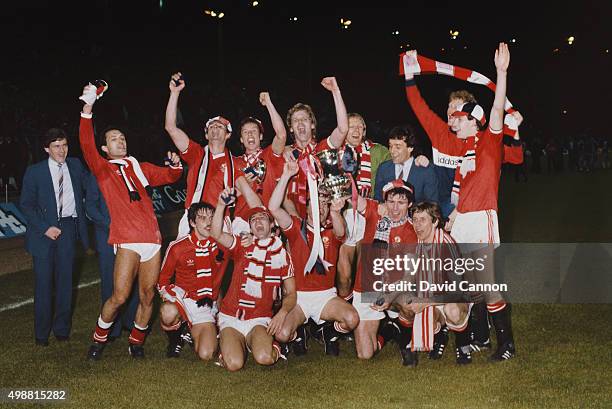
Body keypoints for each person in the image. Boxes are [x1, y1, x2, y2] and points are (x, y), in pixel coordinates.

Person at [78, 83, 183, 360]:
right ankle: (98, 340)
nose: (120, 142)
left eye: (122, 138)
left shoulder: (138, 166)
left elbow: (170, 177)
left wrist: (175, 165)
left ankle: (136, 342)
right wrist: (88, 109)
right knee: (120, 297)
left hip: (152, 240)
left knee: (148, 296)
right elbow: (86, 145)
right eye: (114, 139)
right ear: (104, 147)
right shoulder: (103, 169)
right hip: (127, 240)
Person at [439, 43, 517, 361]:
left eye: (459, 118)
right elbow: (466, 190)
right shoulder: (466, 151)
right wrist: (455, 215)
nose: (453, 122)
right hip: (465, 218)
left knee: (484, 282)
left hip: (483, 216)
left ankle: (506, 344)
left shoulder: (489, 140)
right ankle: (473, 339)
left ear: (475, 120)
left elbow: (498, 111)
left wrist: (501, 72)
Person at [268, 158, 359, 356]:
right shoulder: (296, 229)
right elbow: (274, 208)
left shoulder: (330, 232)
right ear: (307, 208)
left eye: (325, 204)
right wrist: (286, 176)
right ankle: (298, 333)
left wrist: (336, 211)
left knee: (352, 319)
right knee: (282, 334)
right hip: (299, 297)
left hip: (325, 295)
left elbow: (341, 231)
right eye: (316, 204)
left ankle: (327, 331)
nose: (321, 208)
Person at [164, 72, 262, 237]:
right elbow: (170, 127)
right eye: (211, 127)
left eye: (220, 127)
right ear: (206, 134)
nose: (215, 129)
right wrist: (174, 94)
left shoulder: (236, 163)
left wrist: (264, 217)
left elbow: (249, 194)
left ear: (228, 135)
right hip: (192, 219)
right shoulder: (196, 153)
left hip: (220, 220)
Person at [211, 192, 296, 371]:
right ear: (249, 226)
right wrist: (220, 205)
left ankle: (260, 343)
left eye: (263, 218)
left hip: (259, 318)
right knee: (234, 364)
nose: (258, 222)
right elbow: (216, 233)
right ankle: (233, 344)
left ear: (272, 224)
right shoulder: (243, 244)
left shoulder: (282, 255)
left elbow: (291, 293)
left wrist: (282, 313)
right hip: (231, 316)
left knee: (265, 357)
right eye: (253, 219)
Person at [20, 128, 89, 346]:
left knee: (65, 282)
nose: (62, 150)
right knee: (43, 284)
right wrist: (45, 228)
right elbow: (27, 205)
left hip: (68, 228)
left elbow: (93, 185)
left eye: (65, 145)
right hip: (43, 233)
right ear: (46, 149)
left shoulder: (76, 166)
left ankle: (61, 329)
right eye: (56, 146)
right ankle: (41, 335)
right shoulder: (34, 171)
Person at [351, 179, 418, 360]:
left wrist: (389, 297)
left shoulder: (412, 232)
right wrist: (343, 170)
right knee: (365, 354)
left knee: (409, 304)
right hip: (368, 288)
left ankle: (405, 340)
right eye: (391, 201)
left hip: (394, 289)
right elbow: (354, 196)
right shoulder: (374, 212)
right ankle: (387, 332)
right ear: (384, 202)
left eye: (401, 202)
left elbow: (409, 276)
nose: (395, 208)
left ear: (409, 204)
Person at [157, 202, 229, 360]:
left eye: (211, 217)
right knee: (168, 313)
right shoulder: (178, 247)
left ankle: (189, 332)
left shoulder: (222, 245)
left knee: (207, 354)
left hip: (206, 304)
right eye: (202, 218)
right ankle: (175, 339)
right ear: (192, 222)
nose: (208, 222)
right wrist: (174, 298)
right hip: (184, 299)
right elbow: (162, 280)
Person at [85, 172, 139, 342]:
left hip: (131, 235)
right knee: (109, 282)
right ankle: (111, 327)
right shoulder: (97, 175)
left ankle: (131, 322)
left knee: (133, 278)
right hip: (107, 237)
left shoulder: (131, 170)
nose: (121, 144)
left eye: (122, 142)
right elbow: (91, 207)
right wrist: (110, 224)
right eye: (116, 142)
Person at [284, 77, 348, 217]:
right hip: (295, 221)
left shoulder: (322, 149)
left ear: (312, 125)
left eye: (304, 119)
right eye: (295, 120)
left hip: (325, 218)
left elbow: (343, 129)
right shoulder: (287, 155)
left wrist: (336, 92)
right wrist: (297, 221)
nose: (300, 122)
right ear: (291, 128)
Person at [238, 92, 287, 206]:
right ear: (241, 139)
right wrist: (245, 186)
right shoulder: (234, 162)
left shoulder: (269, 155)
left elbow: (281, 135)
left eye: (254, 131)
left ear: (260, 136)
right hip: (240, 220)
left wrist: (268, 104)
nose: (250, 134)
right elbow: (230, 195)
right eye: (245, 132)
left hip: (267, 217)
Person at [374, 125, 439, 204]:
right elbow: (378, 199)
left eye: (398, 147)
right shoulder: (383, 168)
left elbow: (432, 204)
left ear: (410, 148)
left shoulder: (426, 171)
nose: (392, 151)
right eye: (390, 146)